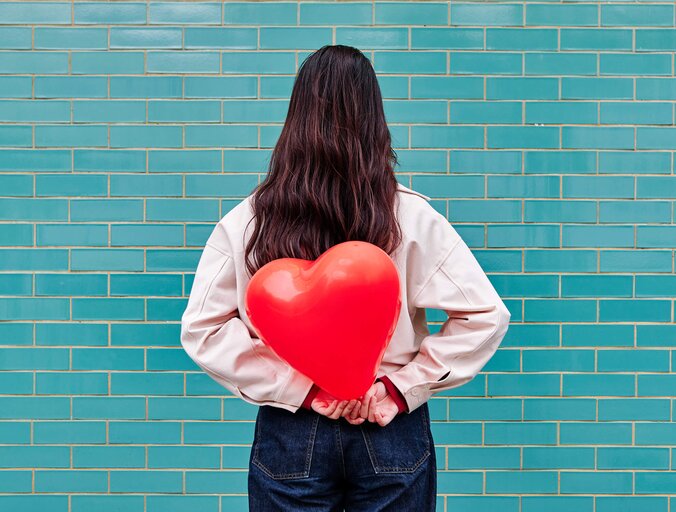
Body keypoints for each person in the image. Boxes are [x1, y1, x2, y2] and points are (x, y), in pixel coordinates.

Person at [180, 44, 511, 511]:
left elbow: (203, 329)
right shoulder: (410, 216)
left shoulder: (248, 220)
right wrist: (397, 390)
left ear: (295, 121)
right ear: (374, 121)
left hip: (292, 431)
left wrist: (304, 391)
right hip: (388, 426)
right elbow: (485, 315)